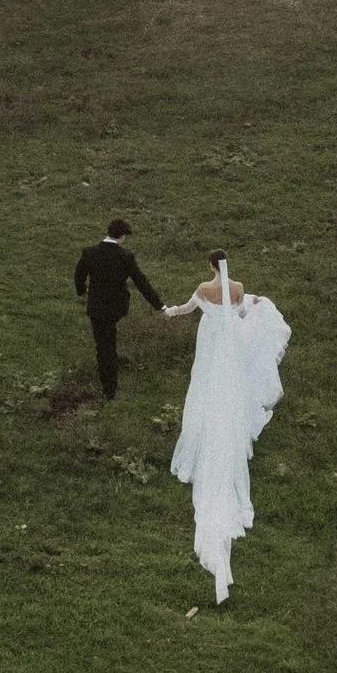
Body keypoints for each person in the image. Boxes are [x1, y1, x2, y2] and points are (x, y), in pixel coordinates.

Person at [160, 252, 292, 603]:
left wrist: (169, 311)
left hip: (211, 343)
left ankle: (202, 430)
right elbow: (242, 312)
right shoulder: (238, 287)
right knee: (229, 388)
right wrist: (252, 303)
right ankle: (226, 424)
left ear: (209, 267)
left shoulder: (205, 287)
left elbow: (189, 309)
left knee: (204, 385)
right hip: (229, 345)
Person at [72, 216, 164, 402]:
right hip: (116, 308)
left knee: (103, 346)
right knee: (109, 344)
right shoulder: (125, 257)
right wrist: (159, 305)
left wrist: (82, 290)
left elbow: (79, 274)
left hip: (97, 306)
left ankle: (108, 387)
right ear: (121, 236)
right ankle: (110, 387)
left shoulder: (90, 252)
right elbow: (141, 282)